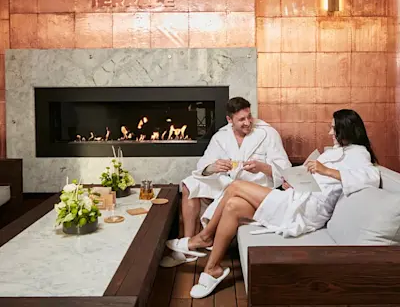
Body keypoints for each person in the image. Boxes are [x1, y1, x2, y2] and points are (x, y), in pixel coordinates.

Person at [183, 109, 381, 299]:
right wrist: (295, 182)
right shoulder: (338, 151)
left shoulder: (359, 153)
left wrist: (326, 171)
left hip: (308, 210)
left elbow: (371, 176)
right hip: (297, 198)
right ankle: (213, 268)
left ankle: (205, 237)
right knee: (233, 205)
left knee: (235, 186)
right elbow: (320, 181)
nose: (330, 132)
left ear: (346, 129)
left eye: (333, 128)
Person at [160, 96, 291, 267]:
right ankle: (187, 245)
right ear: (229, 120)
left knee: (232, 191)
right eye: (241, 119)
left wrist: (262, 167)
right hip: (227, 182)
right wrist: (213, 167)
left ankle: (201, 240)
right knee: (189, 185)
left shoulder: (268, 134)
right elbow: (202, 166)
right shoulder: (221, 136)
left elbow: (285, 170)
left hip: (255, 186)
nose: (247, 123)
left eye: (249, 117)